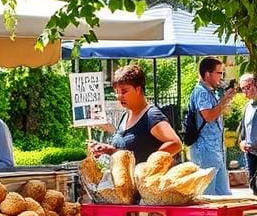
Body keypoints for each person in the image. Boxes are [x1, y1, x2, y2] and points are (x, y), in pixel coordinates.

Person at [88, 64, 182, 163]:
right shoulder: (125, 115)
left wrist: (149, 165)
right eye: (117, 91)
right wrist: (107, 149)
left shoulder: (151, 116)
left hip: (145, 178)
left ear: (138, 89)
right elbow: (128, 153)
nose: (119, 96)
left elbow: (176, 144)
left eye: (124, 91)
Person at [188, 57, 237, 196]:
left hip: (215, 150)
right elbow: (209, 116)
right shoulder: (201, 92)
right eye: (219, 73)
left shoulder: (211, 92)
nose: (221, 77)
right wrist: (224, 100)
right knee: (208, 196)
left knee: (224, 195)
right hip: (205, 150)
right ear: (208, 74)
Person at [237, 73, 257, 195]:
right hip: (250, 155)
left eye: (247, 87)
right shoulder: (248, 106)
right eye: (242, 88)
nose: (244, 91)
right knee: (253, 186)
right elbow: (243, 129)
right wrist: (242, 142)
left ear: (255, 84)